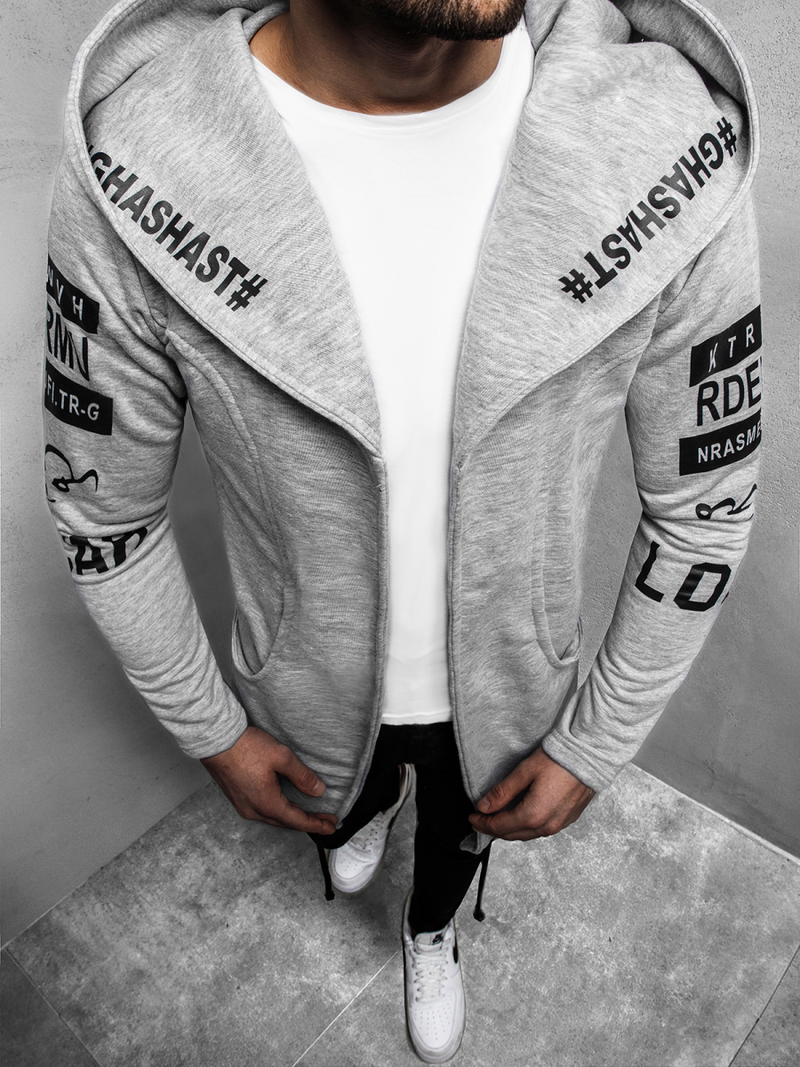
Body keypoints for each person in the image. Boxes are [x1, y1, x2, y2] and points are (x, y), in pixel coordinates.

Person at [43, 0, 761, 1059]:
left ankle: (432, 929)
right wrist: (213, 729)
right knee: (345, 790)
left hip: (515, 685)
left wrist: (598, 738)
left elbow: (703, 505)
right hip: (303, 686)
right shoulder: (139, 163)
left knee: (462, 834)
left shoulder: (667, 149)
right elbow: (104, 506)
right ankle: (363, 811)